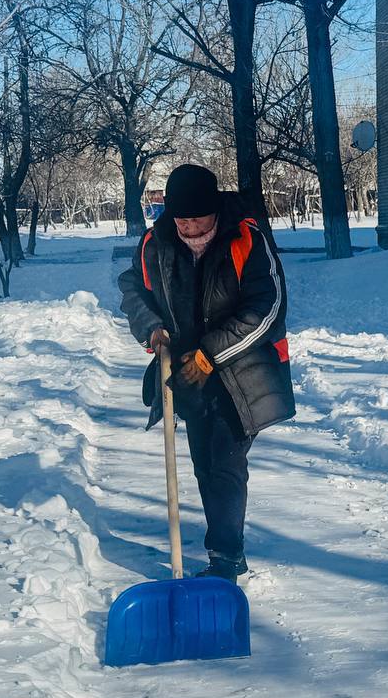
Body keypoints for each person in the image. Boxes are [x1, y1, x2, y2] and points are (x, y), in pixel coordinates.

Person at [119, 164, 294, 583]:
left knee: (225, 463)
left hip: (244, 372)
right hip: (189, 375)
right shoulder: (155, 243)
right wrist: (151, 325)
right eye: (181, 219)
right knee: (204, 465)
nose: (189, 227)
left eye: (197, 218)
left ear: (215, 211)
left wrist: (209, 354)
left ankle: (226, 560)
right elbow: (133, 288)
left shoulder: (246, 238)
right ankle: (224, 550)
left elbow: (266, 309)